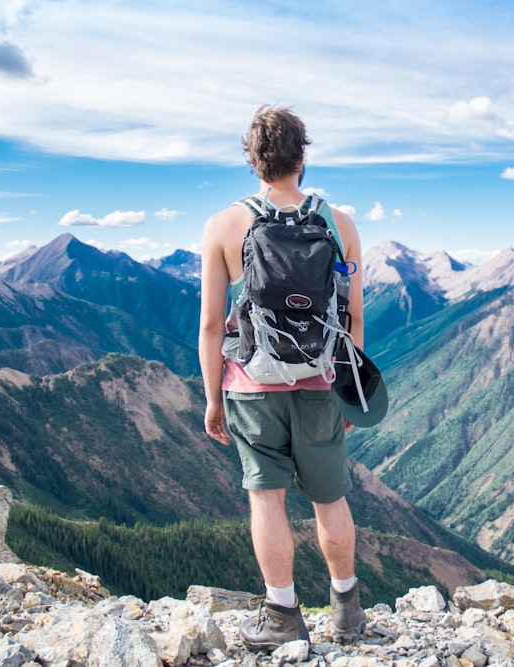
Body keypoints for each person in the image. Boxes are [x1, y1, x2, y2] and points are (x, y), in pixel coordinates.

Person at [199, 104, 366, 650]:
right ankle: (347, 613)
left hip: (250, 386)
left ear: (252, 160)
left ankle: (281, 616)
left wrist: (212, 400)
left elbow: (208, 324)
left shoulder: (223, 225)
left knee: (266, 501)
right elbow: (352, 318)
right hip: (321, 383)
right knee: (330, 499)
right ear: (302, 154)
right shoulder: (338, 224)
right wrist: (351, 392)